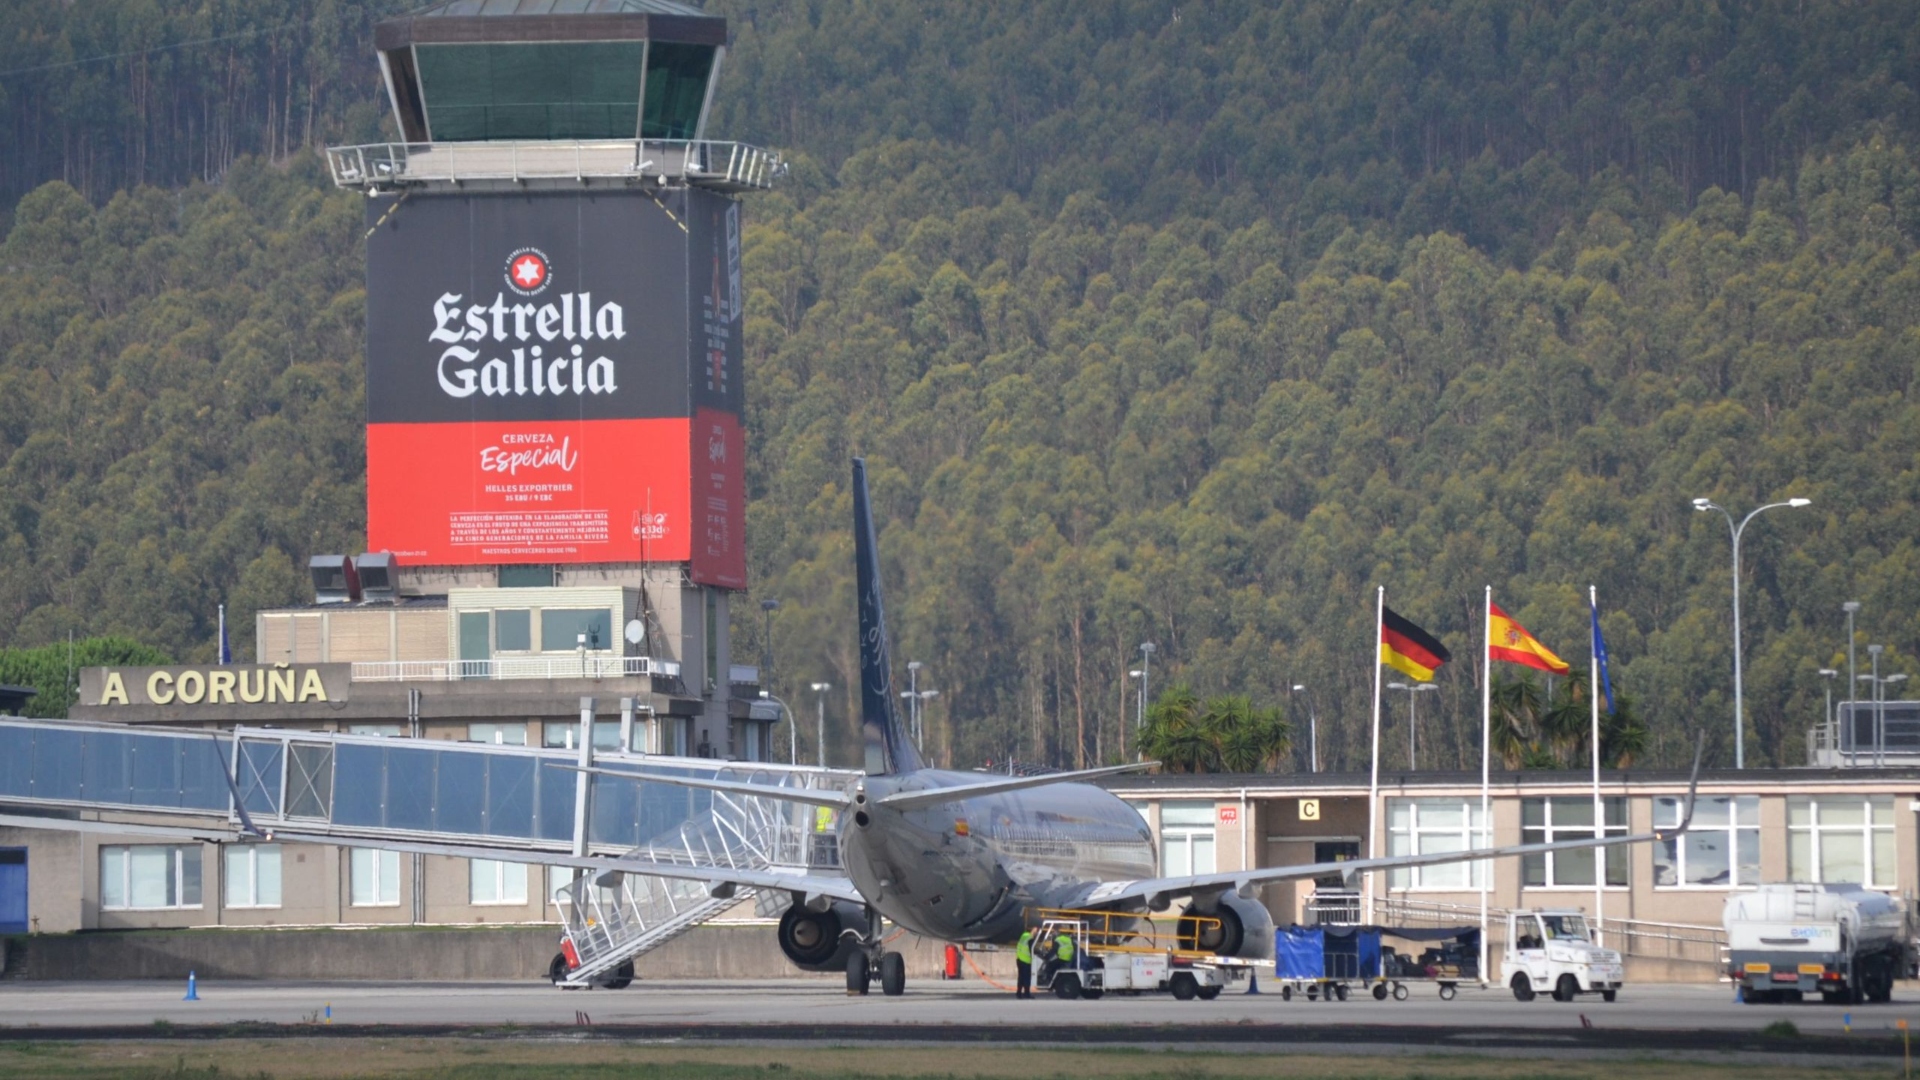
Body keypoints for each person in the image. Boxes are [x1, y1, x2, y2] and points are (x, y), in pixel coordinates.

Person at [1014, 929, 1034, 999]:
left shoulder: (1023, 936)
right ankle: (1026, 993)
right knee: (1026, 978)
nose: (1036, 932)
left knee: (1021, 977)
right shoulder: (1029, 938)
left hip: (1019, 959)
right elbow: (1032, 949)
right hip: (1026, 961)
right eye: (1036, 930)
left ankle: (1018, 993)